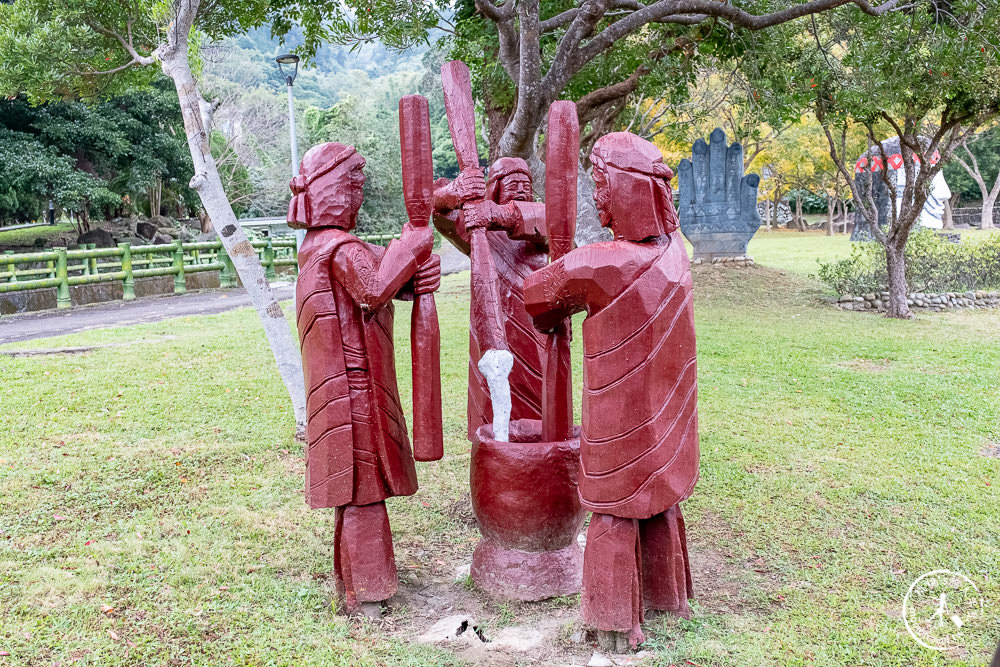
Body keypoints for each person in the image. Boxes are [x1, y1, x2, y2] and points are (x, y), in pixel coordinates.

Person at [523, 132, 700, 650]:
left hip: (619, 428)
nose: (597, 198)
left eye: (600, 184)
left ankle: (612, 622)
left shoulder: (601, 264)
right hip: (669, 425)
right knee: (660, 502)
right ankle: (669, 599)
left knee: (613, 514)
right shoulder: (677, 256)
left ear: (622, 189)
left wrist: (557, 261)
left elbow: (539, 299)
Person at [288, 142, 441, 616]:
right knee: (365, 493)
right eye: (352, 185)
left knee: (355, 494)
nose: (357, 196)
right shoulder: (338, 249)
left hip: (347, 389)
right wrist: (413, 248)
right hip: (353, 393)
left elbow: (384, 269)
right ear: (331, 188)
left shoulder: (321, 246)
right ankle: (369, 594)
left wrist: (413, 270)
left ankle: (351, 587)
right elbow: (373, 288)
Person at [432, 157, 549, 438]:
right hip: (493, 325)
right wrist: (455, 191)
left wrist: (496, 215)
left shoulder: (541, 219)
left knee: (543, 392)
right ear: (495, 187)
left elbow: (550, 224)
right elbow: (439, 213)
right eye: (513, 184)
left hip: (538, 326)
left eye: (526, 184)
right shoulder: (477, 230)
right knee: (493, 390)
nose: (521, 189)